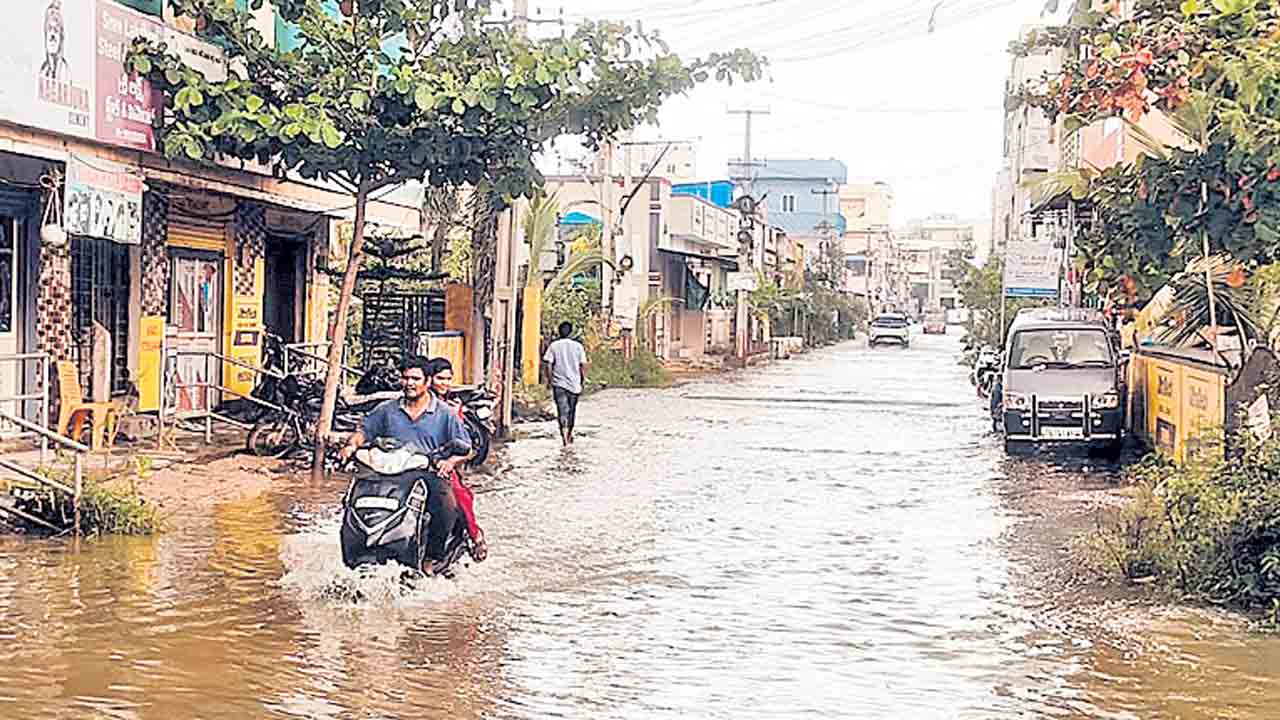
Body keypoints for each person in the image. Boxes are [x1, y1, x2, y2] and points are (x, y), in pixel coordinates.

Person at [338, 355, 471, 570]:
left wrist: (449, 462)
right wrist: (351, 446)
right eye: (406, 378)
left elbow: (466, 449)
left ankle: (431, 558)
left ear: (427, 382)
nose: (409, 383)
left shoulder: (445, 414)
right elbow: (364, 431)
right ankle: (356, 547)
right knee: (355, 495)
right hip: (387, 470)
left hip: (426, 471)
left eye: (416, 378)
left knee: (447, 503)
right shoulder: (387, 409)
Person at [425, 357, 487, 562]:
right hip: (411, 458)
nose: (444, 383)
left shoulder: (451, 407)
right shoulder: (414, 402)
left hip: (442, 460)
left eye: (448, 378)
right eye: (440, 378)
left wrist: (450, 460)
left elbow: (463, 441)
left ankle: (474, 534)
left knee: (460, 495)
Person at [542, 321, 589, 447]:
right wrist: (583, 380)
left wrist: (550, 379)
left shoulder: (554, 346)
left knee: (562, 410)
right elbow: (583, 365)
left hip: (559, 384)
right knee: (571, 411)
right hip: (574, 385)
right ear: (571, 332)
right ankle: (569, 434)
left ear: (559, 332)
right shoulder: (578, 346)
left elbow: (548, 364)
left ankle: (564, 436)